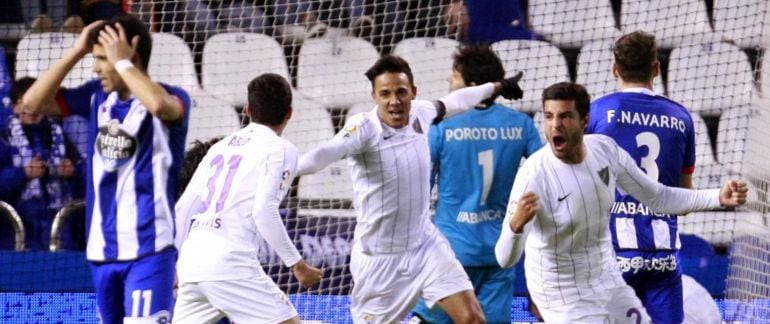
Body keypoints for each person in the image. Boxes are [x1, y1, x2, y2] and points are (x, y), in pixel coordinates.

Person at [296, 54, 524, 323]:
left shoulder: (422, 112)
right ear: (374, 96)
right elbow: (323, 154)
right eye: (385, 93)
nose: (394, 100)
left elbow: (458, 101)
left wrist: (497, 86)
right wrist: (284, 172)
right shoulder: (363, 128)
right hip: (379, 260)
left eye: (401, 92)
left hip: (424, 245)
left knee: (472, 318)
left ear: (413, 93)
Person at [495, 82, 748, 324]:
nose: (555, 126)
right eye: (549, 117)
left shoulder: (605, 151)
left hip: (606, 278)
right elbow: (504, 258)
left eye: (565, 116)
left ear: (585, 121)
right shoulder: (534, 174)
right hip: (561, 293)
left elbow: (659, 197)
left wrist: (717, 197)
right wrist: (516, 227)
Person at [21, 15, 190, 323]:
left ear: (131, 55)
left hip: (149, 251)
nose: (95, 67)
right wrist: (77, 50)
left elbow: (159, 106)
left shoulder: (174, 97)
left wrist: (125, 65)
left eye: (102, 59)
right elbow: (31, 103)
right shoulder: (96, 97)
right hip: (102, 252)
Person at [173, 73, 322, 323]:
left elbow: (182, 208)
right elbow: (264, 211)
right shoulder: (281, 149)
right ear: (289, 114)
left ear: (248, 110)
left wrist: (175, 265)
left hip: (192, 263)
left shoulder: (219, 147)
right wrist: (298, 265)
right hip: (231, 264)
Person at [412, 45, 542, 324]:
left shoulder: (443, 127)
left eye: (455, 76)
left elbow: (420, 187)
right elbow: (547, 175)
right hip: (500, 250)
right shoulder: (522, 125)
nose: (449, 80)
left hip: (450, 251)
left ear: (472, 86)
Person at [586, 31, 696, 324]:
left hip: (612, 256)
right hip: (663, 256)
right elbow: (685, 195)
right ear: (657, 68)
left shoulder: (596, 114)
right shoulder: (681, 118)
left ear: (615, 69)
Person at [1, 77, 85, 251]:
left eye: (38, 101)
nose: (32, 108)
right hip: (15, 240)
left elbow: (86, 183)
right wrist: (23, 174)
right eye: (25, 102)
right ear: (14, 106)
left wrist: (72, 173)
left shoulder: (60, 136)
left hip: (61, 237)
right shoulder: (3, 138)